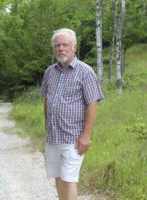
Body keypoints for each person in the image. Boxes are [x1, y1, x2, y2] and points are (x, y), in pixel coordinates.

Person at [40, 28, 104, 200]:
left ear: (74, 46)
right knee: (59, 178)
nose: (61, 49)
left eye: (65, 45)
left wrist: (86, 135)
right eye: (57, 45)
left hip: (73, 138)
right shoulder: (49, 72)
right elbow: (47, 100)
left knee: (69, 180)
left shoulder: (85, 71)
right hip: (53, 137)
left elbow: (93, 103)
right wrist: (47, 128)